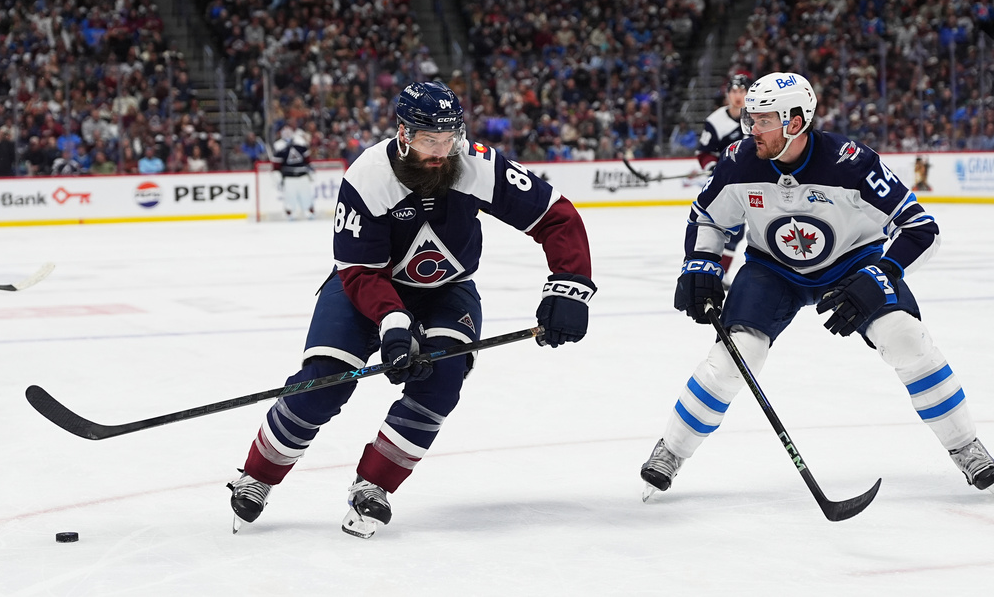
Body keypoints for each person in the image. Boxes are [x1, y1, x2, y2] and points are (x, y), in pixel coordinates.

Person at [228, 81, 595, 538]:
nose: (442, 151)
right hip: (362, 287)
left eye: (449, 138)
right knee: (322, 382)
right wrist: (394, 324)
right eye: (429, 140)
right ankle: (257, 475)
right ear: (404, 133)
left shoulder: (476, 163)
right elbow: (360, 271)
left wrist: (570, 285)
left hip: (447, 290)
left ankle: (375, 486)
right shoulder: (369, 175)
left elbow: (556, 215)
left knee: (440, 384)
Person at [640, 71, 994, 502]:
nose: (752, 129)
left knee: (905, 338)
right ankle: (671, 452)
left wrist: (881, 272)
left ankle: (965, 446)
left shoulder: (852, 162)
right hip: (772, 270)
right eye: (750, 118)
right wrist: (700, 263)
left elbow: (921, 229)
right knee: (735, 354)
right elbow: (708, 218)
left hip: (854, 263)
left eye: (763, 120)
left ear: (795, 121)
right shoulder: (738, 161)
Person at [696, 73, 751, 284]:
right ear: (728, 94)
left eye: (742, 91)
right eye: (734, 92)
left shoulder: (759, 116)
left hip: (754, 182)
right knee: (724, 227)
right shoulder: (715, 121)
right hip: (726, 185)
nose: (738, 96)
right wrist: (714, 168)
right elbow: (705, 153)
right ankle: (716, 272)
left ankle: (722, 273)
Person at [271, 127, 316, 220]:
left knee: (306, 196)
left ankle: (309, 212)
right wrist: (277, 177)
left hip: (303, 176)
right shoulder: (279, 147)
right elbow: (276, 166)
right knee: (290, 198)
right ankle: (290, 214)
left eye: (289, 133)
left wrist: (311, 171)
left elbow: (308, 161)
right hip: (289, 178)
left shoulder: (301, 144)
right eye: (285, 133)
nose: (287, 135)